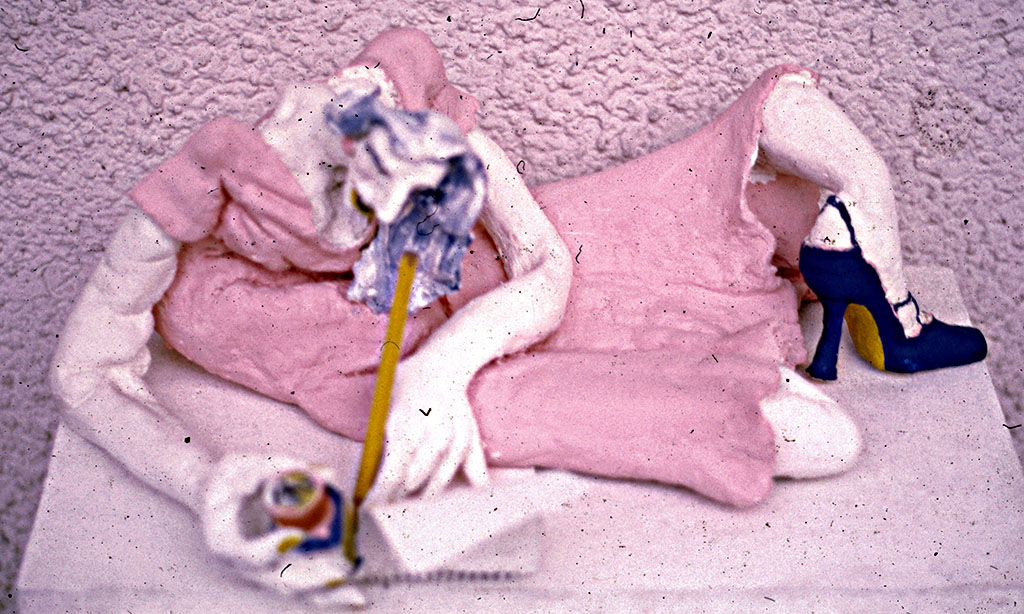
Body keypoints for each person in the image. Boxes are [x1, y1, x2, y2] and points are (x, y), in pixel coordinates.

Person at [49, 27, 983, 605]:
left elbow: (543, 260)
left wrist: (443, 362)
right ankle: (764, 370)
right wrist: (203, 483)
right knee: (490, 421)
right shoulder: (192, 209)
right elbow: (84, 373)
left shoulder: (401, 114)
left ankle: (857, 251)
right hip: (367, 371)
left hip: (487, 310)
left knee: (677, 207)